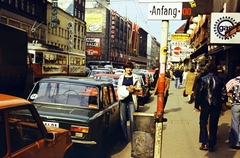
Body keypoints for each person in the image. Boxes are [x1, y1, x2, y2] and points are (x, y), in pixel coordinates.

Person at [194, 63, 227, 152]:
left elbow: (199, 93)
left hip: (205, 104)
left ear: (208, 70)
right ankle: (211, 144)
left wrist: (197, 105)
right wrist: (223, 103)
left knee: (203, 122)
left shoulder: (203, 79)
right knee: (213, 124)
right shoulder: (219, 80)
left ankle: (204, 142)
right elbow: (223, 93)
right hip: (216, 104)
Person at [117, 62, 141, 143]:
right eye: (127, 68)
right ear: (125, 69)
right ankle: (124, 138)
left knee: (132, 120)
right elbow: (119, 88)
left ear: (132, 69)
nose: (129, 69)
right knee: (122, 120)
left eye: (130, 68)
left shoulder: (135, 77)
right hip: (123, 100)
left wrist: (134, 88)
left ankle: (132, 138)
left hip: (131, 100)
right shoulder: (121, 77)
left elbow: (140, 88)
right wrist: (126, 88)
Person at [226, 65, 240, 149]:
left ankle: (235, 143)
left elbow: (225, 89)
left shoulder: (233, 81)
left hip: (236, 104)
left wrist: (230, 95)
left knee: (235, 123)